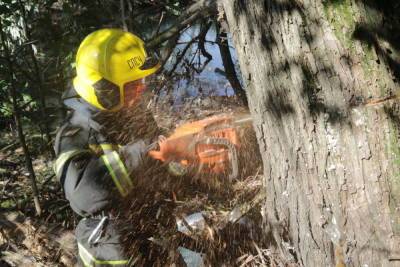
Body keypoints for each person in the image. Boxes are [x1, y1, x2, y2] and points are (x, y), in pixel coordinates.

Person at [53, 28, 161, 266]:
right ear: (105, 89)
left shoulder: (134, 114)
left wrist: (182, 155)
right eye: (132, 84)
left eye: (141, 81)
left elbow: (157, 158)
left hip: (148, 226)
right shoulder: (74, 133)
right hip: (109, 246)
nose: (141, 88)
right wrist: (148, 152)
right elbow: (84, 194)